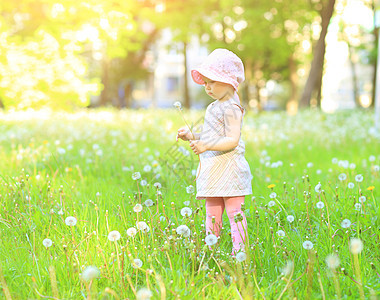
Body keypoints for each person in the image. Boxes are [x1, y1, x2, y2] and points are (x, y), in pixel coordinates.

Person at [176, 48, 252, 254]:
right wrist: (192, 136)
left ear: (229, 82)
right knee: (212, 210)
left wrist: (207, 145)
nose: (207, 87)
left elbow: (232, 140)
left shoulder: (232, 108)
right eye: (206, 82)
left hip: (229, 167)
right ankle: (212, 248)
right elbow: (212, 133)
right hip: (214, 169)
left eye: (213, 82)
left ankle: (240, 252)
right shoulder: (214, 106)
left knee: (235, 211)